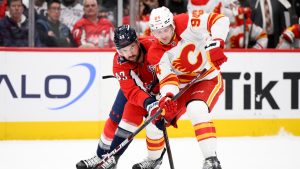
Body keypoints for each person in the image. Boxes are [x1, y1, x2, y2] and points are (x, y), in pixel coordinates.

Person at [133, 6, 229, 169]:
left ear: (172, 24)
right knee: (156, 117)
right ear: (153, 32)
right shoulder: (155, 52)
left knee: (196, 108)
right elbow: (168, 78)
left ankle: (211, 160)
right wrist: (167, 97)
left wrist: (216, 43)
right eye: (158, 32)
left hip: (205, 78)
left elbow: (220, 20)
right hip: (182, 86)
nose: (163, 35)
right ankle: (154, 159)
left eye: (166, 29)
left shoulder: (186, 22)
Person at [76, 25, 169, 169]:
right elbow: (131, 91)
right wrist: (147, 102)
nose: (129, 53)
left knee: (153, 124)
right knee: (115, 117)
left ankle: (154, 158)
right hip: (135, 89)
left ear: (137, 42)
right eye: (124, 50)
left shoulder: (153, 46)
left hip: (159, 91)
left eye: (132, 47)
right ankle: (102, 157)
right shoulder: (119, 62)